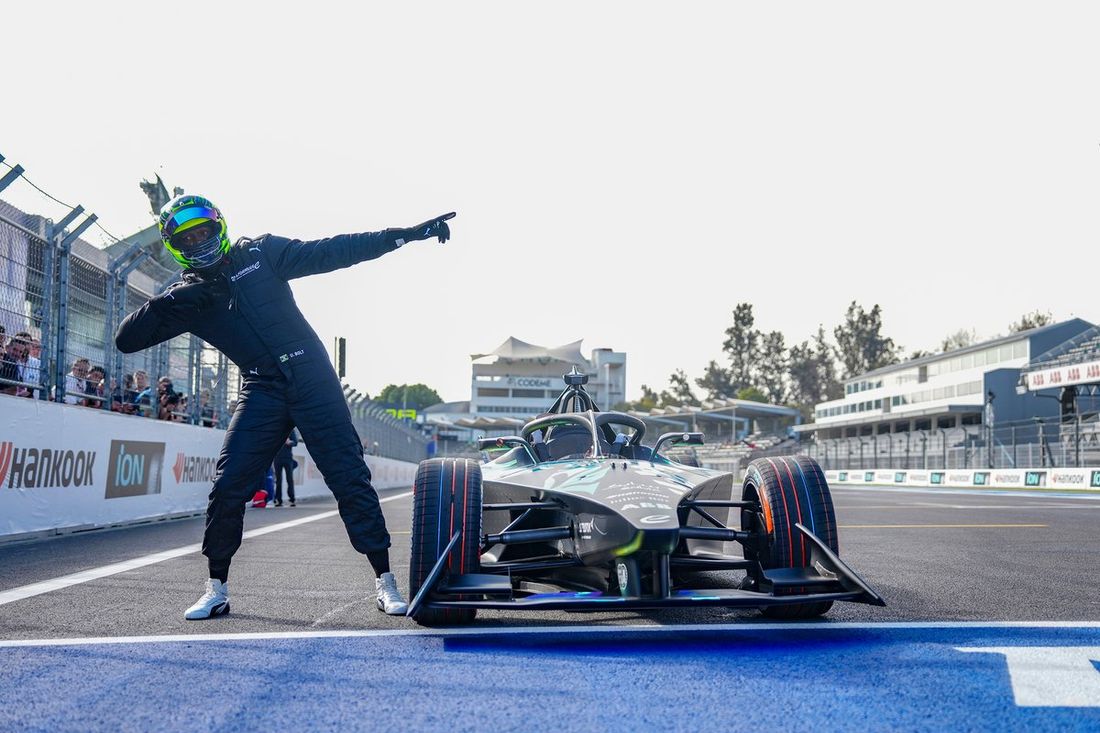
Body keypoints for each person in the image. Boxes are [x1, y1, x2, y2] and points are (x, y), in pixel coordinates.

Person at [115, 194, 455, 620]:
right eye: (188, 238)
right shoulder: (188, 298)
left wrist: (401, 236)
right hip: (262, 388)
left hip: (314, 380)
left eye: (203, 232)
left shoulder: (262, 253)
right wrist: (170, 301)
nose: (198, 241)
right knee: (228, 485)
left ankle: (384, 581)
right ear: (176, 246)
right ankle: (216, 587)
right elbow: (126, 340)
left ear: (218, 227)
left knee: (350, 479)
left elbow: (334, 251)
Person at [273, 428, 298, 507]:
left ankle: (292, 499)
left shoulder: (291, 430)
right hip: (277, 458)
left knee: (289, 479)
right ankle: (278, 500)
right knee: (278, 480)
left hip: (288, 458)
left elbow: (295, 442)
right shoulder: (276, 430)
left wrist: (289, 442)